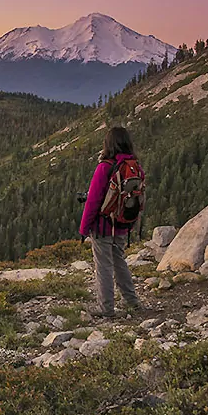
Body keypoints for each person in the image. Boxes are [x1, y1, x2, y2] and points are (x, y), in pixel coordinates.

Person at [79, 127, 143, 317]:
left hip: (103, 226)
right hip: (123, 224)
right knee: (119, 262)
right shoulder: (134, 166)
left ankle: (106, 309)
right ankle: (132, 301)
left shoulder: (105, 167)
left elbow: (93, 201)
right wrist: (131, 223)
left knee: (104, 266)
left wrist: (84, 228)